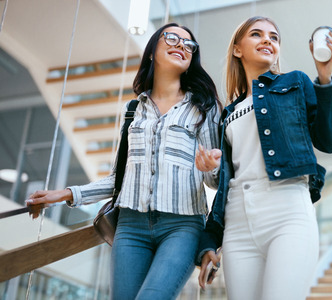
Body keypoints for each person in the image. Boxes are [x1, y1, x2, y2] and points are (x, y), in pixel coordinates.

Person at [26, 23, 222, 300]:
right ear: (152, 50)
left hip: (182, 226)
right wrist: (66, 194)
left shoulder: (204, 107)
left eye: (189, 44)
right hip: (131, 227)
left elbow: (215, 180)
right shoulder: (132, 110)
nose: (181, 45)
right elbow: (119, 179)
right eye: (172, 38)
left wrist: (212, 168)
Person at [194, 16, 332, 299]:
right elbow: (224, 184)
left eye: (274, 37)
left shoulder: (295, 83)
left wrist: (324, 78)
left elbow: (329, 140)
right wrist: (209, 241)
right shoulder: (227, 114)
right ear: (237, 49)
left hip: (287, 210)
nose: (267, 40)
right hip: (237, 221)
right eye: (257, 34)